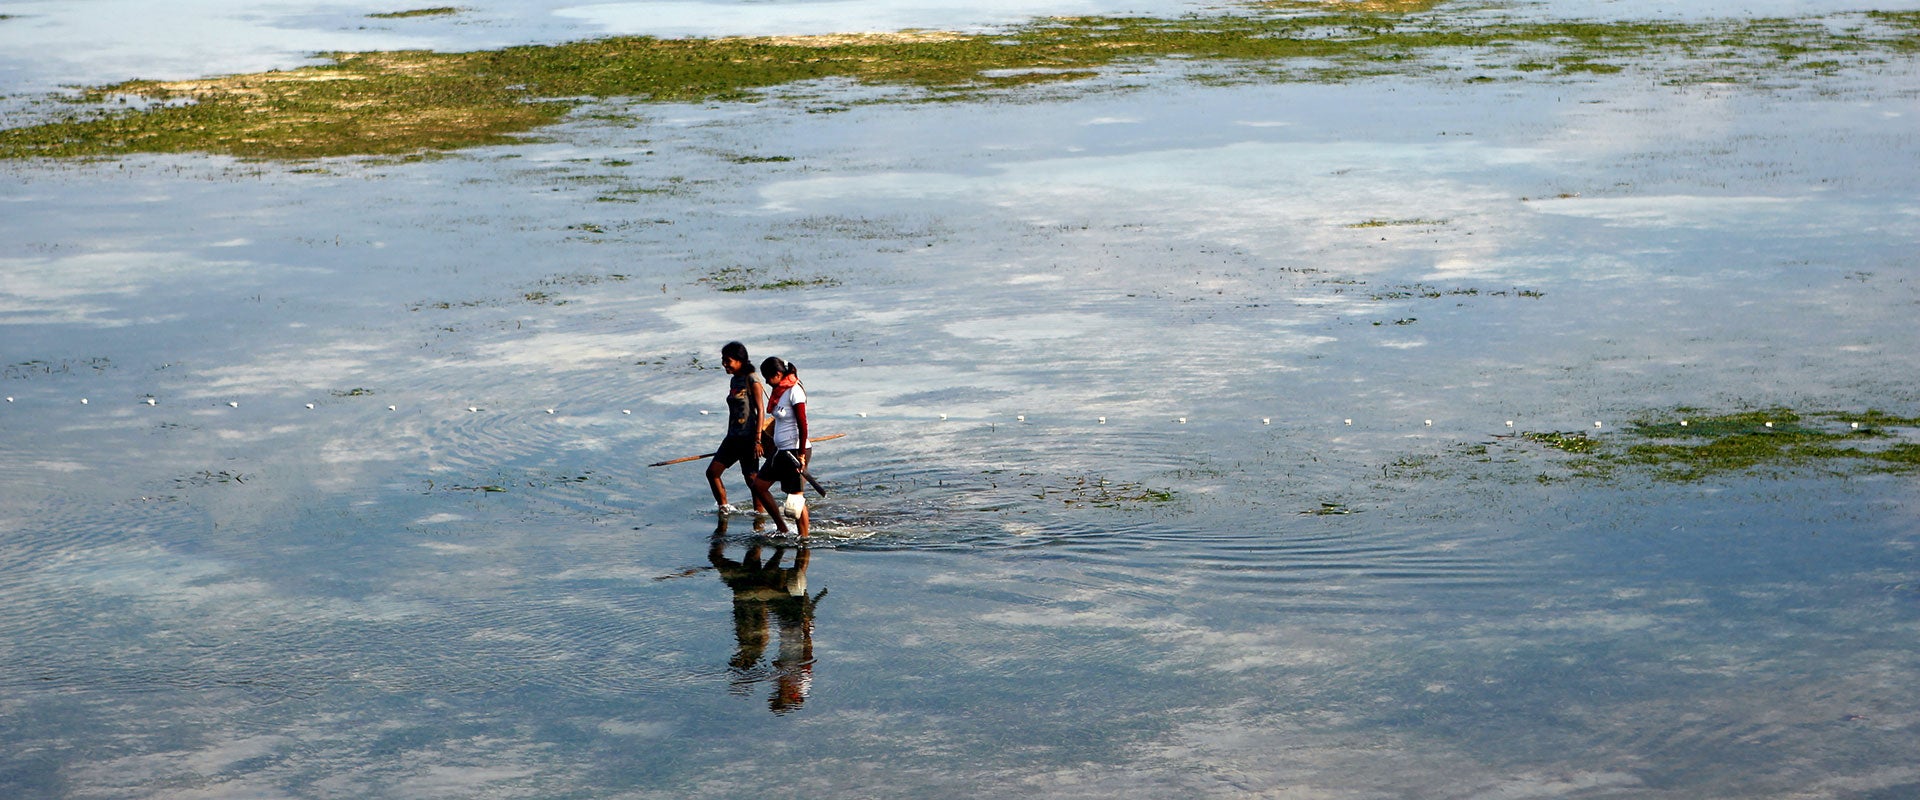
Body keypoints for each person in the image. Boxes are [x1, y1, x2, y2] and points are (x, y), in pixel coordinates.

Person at [748, 356, 810, 537]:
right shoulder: (779, 392)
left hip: (795, 451)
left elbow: (803, 424)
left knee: (795, 501)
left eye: (768, 378)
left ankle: (804, 538)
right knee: (759, 486)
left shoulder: (794, 391)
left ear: (777, 374)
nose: (766, 382)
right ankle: (782, 528)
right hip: (780, 451)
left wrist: (801, 455)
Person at [705, 341, 764, 515]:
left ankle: (759, 515)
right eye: (723, 360)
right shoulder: (734, 381)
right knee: (712, 473)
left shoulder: (752, 379)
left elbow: (760, 410)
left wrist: (758, 440)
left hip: (749, 438)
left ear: (740, 360)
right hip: (732, 437)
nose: (724, 364)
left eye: (728, 360)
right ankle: (724, 509)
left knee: (752, 478)